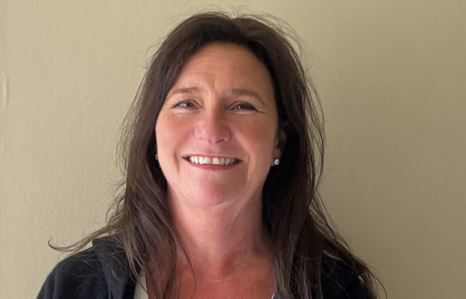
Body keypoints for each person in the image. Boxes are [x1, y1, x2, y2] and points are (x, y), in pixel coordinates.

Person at [37, 12, 381, 299]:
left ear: (280, 141)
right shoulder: (75, 287)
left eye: (243, 106)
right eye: (186, 103)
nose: (212, 129)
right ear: (154, 133)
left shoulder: (338, 290)